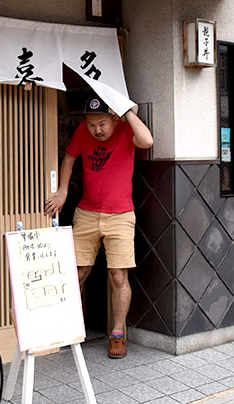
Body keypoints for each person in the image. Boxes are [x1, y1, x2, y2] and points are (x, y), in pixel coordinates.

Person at [44, 97, 153, 359]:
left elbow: (147, 141)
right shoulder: (83, 132)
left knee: (118, 275)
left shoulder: (127, 131)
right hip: (87, 213)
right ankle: (73, 328)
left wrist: (127, 112)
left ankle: (117, 334)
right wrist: (62, 192)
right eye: (92, 124)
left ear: (114, 119)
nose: (97, 130)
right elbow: (69, 158)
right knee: (77, 273)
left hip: (121, 215)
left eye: (102, 123)